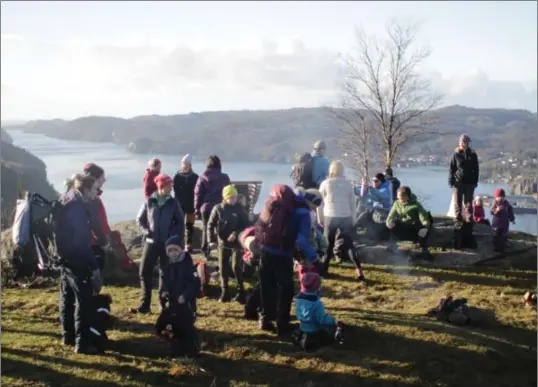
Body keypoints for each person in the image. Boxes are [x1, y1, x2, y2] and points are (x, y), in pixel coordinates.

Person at [255, 184, 317, 335]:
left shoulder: (280, 203)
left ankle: (265, 319)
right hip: (282, 253)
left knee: (267, 284)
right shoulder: (302, 212)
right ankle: (282, 324)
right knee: (285, 288)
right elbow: (302, 241)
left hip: (265, 248)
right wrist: (314, 257)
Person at [58, 174, 104, 355]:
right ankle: (82, 343)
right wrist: (94, 268)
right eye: (94, 189)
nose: (96, 192)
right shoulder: (77, 208)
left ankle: (67, 336)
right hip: (78, 260)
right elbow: (82, 243)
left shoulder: (66, 198)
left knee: (66, 299)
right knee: (83, 302)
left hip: (64, 259)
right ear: (85, 190)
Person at [131, 173, 185, 314]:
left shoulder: (173, 203)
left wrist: (172, 236)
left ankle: (163, 302)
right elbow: (140, 220)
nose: (171, 188)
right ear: (161, 186)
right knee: (144, 271)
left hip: (167, 244)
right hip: (151, 242)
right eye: (169, 186)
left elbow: (180, 223)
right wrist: (146, 231)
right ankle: (145, 304)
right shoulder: (149, 201)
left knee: (165, 273)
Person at [155, 234, 200, 358]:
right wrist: (163, 293)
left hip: (186, 304)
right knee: (170, 327)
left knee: (186, 327)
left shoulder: (188, 265)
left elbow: (194, 284)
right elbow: (164, 282)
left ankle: (192, 348)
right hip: (172, 303)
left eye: (175, 250)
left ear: (181, 250)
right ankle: (174, 347)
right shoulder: (167, 266)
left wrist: (185, 295)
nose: (173, 253)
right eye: (170, 251)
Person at [207, 185, 249, 303]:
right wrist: (211, 241)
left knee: (236, 266)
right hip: (222, 242)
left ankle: (241, 291)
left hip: (237, 242)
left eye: (235, 197)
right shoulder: (218, 209)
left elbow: (246, 225)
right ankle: (224, 292)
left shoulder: (239, 208)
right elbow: (210, 225)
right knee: (223, 266)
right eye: (231, 198)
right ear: (225, 198)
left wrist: (236, 233)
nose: (234, 200)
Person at [317, 160, 356, 275]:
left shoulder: (325, 183)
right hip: (346, 215)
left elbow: (319, 203)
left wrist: (320, 218)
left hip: (330, 215)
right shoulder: (348, 184)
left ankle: (324, 269)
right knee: (349, 243)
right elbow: (352, 203)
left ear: (331, 170)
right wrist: (353, 218)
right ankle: (358, 269)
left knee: (328, 244)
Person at [292, 272, 344, 352]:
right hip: (314, 332)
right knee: (329, 335)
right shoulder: (317, 304)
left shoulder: (298, 298)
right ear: (316, 287)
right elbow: (322, 320)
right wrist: (334, 321)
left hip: (302, 329)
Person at [194, 155, 231, 258]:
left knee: (206, 229)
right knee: (220, 229)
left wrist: (197, 209)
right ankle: (222, 252)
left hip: (205, 208)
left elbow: (197, 194)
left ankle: (205, 251)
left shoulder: (201, 177)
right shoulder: (224, 177)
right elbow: (228, 193)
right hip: (220, 207)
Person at [386, 186, 433, 260]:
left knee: (422, 229)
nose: (399, 199)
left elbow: (424, 218)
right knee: (393, 223)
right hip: (402, 228)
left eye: (401, 198)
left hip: (413, 228)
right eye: (398, 197)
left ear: (407, 197)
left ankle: (424, 250)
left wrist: (425, 227)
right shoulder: (396, 203)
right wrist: (388, 222)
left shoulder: (416, 205)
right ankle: (393, 247)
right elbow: (390, 216)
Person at [82, 163, 111, 270]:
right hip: (94, 244)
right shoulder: (92, 199)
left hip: (91, 242)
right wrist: (104, 242)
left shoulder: (86, 196)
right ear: (95, 179)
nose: (104, 180)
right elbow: (95, 224)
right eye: (102, 178)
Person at [448, 134, 479, 221]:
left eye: (464, 142)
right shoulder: (456, 155)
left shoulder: (473, 155)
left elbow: (476, 169)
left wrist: (475, 182)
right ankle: (458, 219)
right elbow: (452, 169)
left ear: (468, 143)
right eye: (461, 142)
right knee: (457, 202)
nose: (462, 143)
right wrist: (450, 181)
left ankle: (469, 218)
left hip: (469, 183)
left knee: (468, 202)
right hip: (458, 182)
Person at [173, 154, 199, 251]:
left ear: (190, 165)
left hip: (191, 206)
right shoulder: (177, 177)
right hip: (179, 205)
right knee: (178, 225)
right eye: (183, 163)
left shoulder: (195, 177)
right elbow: (175, 192)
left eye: (186, 164)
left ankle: (188, 244)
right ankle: (178, 244)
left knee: (190, 226)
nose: (184, 165)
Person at [490, 188, 515, 253]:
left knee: (504, 235)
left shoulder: (506, 203)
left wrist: (512, 218)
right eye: (498, 197)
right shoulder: (495, 203)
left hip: (504, 223)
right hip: (497, 223)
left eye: (502, 197)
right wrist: (496, 210)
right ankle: (496, 247)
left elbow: (510, 211)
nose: (500, 198)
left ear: (504, 197)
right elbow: (492, 211)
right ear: (496, 197)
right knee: (496, 235)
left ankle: (503, 245)